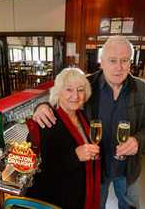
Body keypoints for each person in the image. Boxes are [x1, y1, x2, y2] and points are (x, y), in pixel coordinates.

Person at [32, 36, 145, 209]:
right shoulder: (87, 86)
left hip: (128, 170)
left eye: (124, 60)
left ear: (131, 62)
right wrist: (42, 106)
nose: (119, 67)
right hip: (96, 170)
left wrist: (138, 141)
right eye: (112, 60)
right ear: (102, 61)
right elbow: (64, 98)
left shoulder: (142, 90)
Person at [26, 68, 101, 209]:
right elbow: (36, 174)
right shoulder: (45, 122)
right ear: (57, 93)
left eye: (80, 90)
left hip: (80, 197)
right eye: (69, 89)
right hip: (57, 201)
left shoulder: (83, 117)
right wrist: (75, 156)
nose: (76, 95)